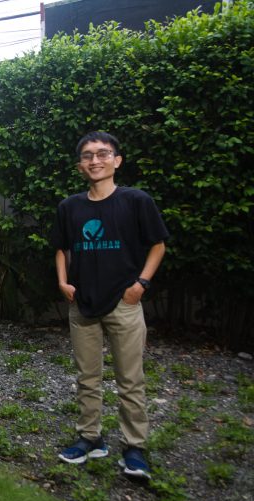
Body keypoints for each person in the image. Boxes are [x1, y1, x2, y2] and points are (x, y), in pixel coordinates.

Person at [51, 131, 169, 478]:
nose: (95, 160)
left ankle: (135, 447)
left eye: (103, 154)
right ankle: (91, 438)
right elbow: (61, 247)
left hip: (124, 303)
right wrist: (62, 281)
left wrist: (141, 284)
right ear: (80, 166)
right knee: (87, 377)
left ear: (116, 161)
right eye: (87, 155)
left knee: (130, 379)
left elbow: (158, 244)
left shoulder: (136, 201)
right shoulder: (69, 207)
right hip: (82, 303)